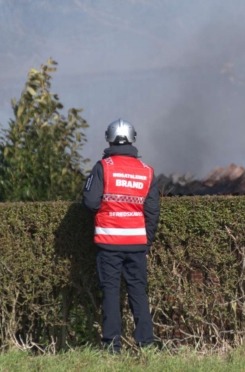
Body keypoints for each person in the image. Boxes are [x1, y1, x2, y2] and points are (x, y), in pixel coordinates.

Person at [82, 118, 160, 353]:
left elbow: (90, 202)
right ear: (133, 139)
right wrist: (146, 244)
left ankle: (112, 348)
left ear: (109, 139)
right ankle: (146, 346)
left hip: (108, 244)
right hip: (137, 245)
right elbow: (153, 212)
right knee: (138, 292)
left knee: (110, 293)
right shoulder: (147, 172)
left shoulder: (103, 167)